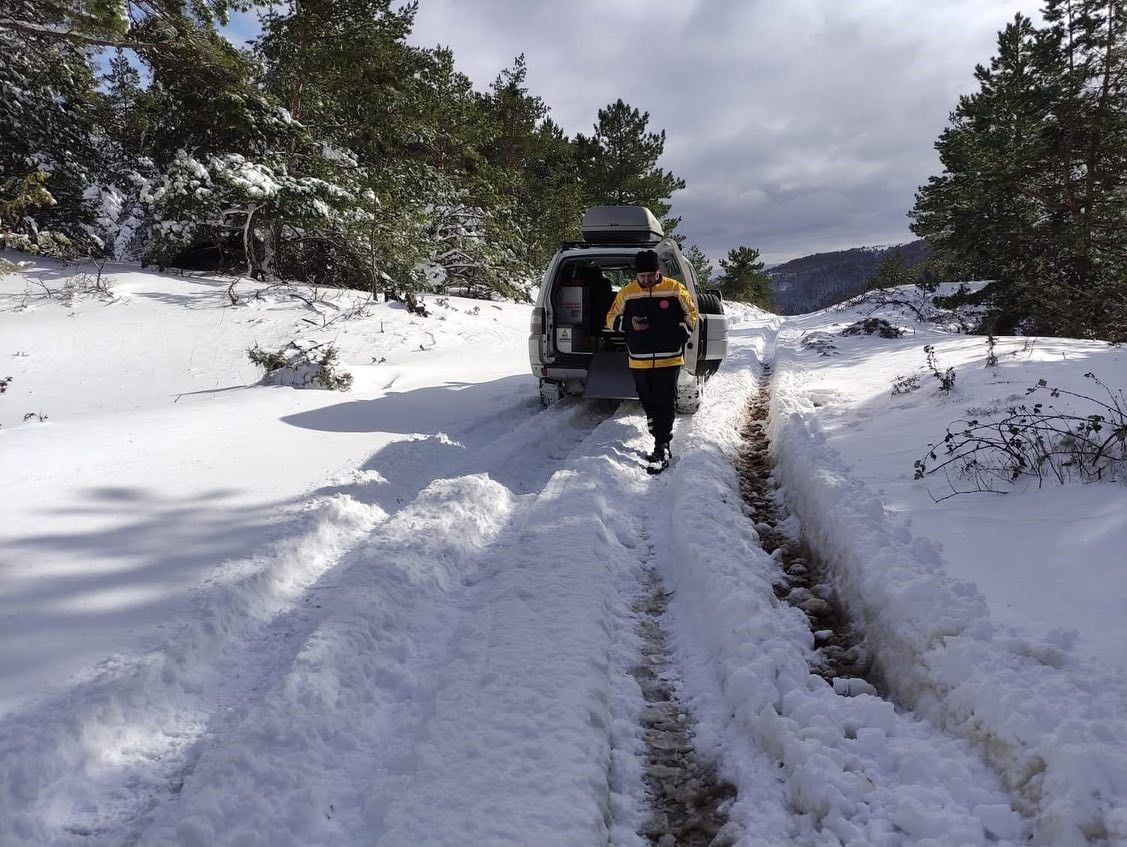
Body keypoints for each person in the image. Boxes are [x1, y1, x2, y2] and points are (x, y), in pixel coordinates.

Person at [605, 249, 699, 471]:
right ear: (636, 275)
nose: (646, 280)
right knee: (648, 401)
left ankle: (662, 446)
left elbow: (692, 315)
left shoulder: (675, 289)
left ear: (659, 272)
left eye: (651, 275)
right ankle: (656, 429)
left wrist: (679, 334)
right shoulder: (627, 293)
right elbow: (610, 319)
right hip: (639, 360)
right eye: (642, 276)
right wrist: (630, 324)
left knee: (665, 401)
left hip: (670, 359)